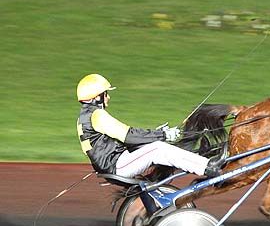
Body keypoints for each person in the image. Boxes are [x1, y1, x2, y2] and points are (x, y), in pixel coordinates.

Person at [76, 73, 221, 179]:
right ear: (96, 97)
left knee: (155, 145)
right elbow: (129, 135)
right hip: (117, 165)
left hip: (113, 162)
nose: (108, 97)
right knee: (158, 148)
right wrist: (164, 135)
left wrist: (156, 134)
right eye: (105, 94)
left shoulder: (85, 116)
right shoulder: (97, 115)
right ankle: (207, 167)